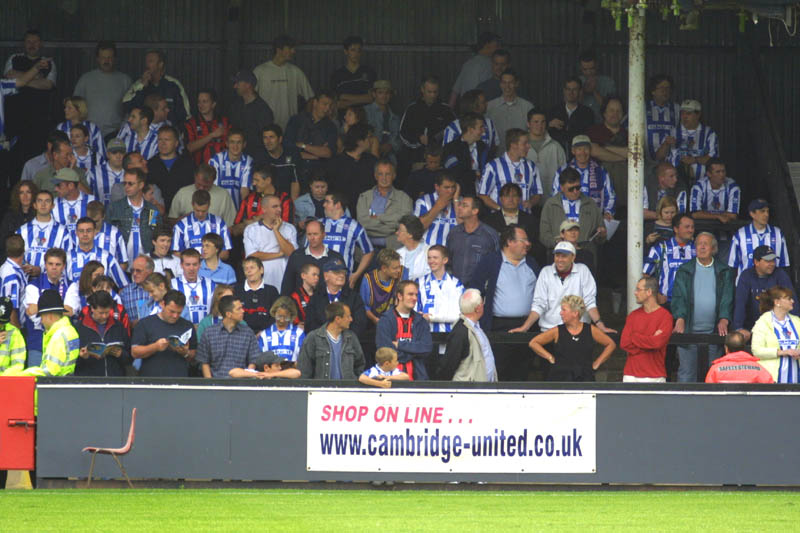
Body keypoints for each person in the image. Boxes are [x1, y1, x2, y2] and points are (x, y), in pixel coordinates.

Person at [469, 224, 539, 380]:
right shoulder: (491, 261)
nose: (528, 244)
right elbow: (474, 290)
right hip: (498, 326)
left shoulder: (532, 263)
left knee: (522, 371)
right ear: (509, 242)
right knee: (499, 370)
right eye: (523, 240)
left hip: (527, 326)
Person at [511, 241, 613, 335]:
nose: (559, 260)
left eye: (564, 256)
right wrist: (525, 327)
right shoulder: (545, 272)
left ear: (573, 257)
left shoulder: (583, 271)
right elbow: (539, 304)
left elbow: (589, 301)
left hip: (578, 330)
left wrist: (600, 325)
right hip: (550, 330)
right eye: (557, 256)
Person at [671, 232, 735, 382]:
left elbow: (728, 297)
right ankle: (686, 405)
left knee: (713, 375)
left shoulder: (724, 271)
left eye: (706, 243)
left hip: (714, 333)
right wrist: (680, 318)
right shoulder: (684, 270)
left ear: (713, 248)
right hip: (688, 331)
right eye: (699, 243)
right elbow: (678, 296)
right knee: (687, 375)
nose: (702, 246)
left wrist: (724, 319)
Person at [529, 294, 616, 381]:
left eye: (564, 310)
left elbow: (610, 344)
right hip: (560, 378)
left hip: (585, 378)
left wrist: (596, 364)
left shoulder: (590, 330)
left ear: (575, 313)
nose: (561, 313)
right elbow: (534, 343)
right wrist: (550, 357)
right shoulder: (557, 331)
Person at [3, 30, 56, 169]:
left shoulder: (49, 63)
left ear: (41, 44)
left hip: (38, 122)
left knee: (35, 161)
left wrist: (23, 79)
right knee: (13, 162)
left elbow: (48, 84)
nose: (32, 45)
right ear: (24, 44)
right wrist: (35, 75)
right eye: (28, 41)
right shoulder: (14, 58)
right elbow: (8, 78)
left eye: (35, 42)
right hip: (14, 121)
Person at [3, 289, 79, 378]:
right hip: (65, 384)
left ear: (49, 316)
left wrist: (22, 374)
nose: (41, 321)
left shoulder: (58, 336)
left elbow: (50, 370)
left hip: (54, 386)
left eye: (41, 317)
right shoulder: (70, 331)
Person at [733, 245, 799, 340]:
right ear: (756, 262)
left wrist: (795, 327)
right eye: (768, 261)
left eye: (773, 260)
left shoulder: (780, 275)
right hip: (751, 329)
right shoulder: (746, 276)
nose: (772, 264)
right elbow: (740, 303)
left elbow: (792, 302)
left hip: (777, 329)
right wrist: (739, 328)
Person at [539, 167, 605, 256]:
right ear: (562, 187)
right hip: (559, 254)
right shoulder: (550, 205)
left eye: (578, 188)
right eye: (571, 189)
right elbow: (543, 235)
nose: (575, 191)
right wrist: (557, 242)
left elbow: (600, 236)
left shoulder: (590, 203)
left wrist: (601, 235)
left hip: (586, 253)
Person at [253, 34, 314, 129]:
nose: (293, 51)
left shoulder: (296, 72)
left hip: (290, 129)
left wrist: (306, 120)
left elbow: (310, 99)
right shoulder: (260, 71)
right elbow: (250, 98)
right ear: (279, 50)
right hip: (266, 129)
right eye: (290, 48)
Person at [620, 276, 674, 382]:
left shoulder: (665, 316)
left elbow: (657, 343)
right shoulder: (633, 316)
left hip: (655, 376)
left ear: (649, 292)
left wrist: (635, 337)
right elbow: (624, 343)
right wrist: (650, 340)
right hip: (631, 375)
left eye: (639, 290)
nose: (635, 293)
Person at [131, 290, 197, 377]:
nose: (175, 316)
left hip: (179, 380)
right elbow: (135, 352)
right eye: (172, 311)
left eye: (179, 312)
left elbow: (195, 355)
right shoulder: (145, 324)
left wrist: (185, 352)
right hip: (151, 380)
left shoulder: (187, 325)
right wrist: (155, 347)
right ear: (162, 304)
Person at [376, 280, 433, 380]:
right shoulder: (385, 320)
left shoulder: (421, 321)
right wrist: (414, 352)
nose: (414, 298)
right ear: (400, 296)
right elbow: (385, 352)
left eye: (416, 295)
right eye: (410, 294)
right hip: (389, 380)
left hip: (418, 380)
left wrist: (400, 345)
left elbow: (426, 348)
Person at [21, 247, 69, 366]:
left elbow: (71, 311)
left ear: (63, 266)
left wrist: (41, 308)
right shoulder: (32, 286)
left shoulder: (71, 286)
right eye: (50, 264)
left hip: (61, 344)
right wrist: (60, 309)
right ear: (45, 265)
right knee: (35, 381)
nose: (54, 267)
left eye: (58, 264)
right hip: (37, 344)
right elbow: (33, 314)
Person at [73, 41, 132, 137]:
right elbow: (75, 106)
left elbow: (130, 109)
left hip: (116, 133)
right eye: (103, 58)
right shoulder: (86, 79)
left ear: (115, 58)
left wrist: (123, 129)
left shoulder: (125, 80)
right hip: (89, 132)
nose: (106, 61)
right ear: (97, 59)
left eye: (109, 57)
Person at [438, 288, 497, 382]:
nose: (483, 306)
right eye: (482, 303)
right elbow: (449, 364)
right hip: (468, 392)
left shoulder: (474, 327)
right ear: (478, 308)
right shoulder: (461, 332)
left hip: (482, 389)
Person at [122, 49, 191, 128]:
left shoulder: (173, 84)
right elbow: (126, 105)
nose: (147, 65)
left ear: (160, 64)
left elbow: (186, 115)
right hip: (144, 136)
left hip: (168, 135)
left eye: (150, 61)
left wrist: (177, 132)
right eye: (146, 61)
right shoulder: (139, 84)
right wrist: (142, 85)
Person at [479, 128, 542, 212]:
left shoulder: (531, 166)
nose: (529, 146)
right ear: (513, 145)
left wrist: (531, 202)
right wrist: (500, 209)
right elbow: (482, 195)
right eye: (525, 143)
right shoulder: (493, 166)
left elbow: (537, 193)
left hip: (524, 219)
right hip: (499, 220)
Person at [551, 135, 616, 218]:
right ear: (573, 151)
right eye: (579, 149)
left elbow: (610, 196)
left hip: (594, 221)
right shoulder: (562, 171)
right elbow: (555, 197)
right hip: (568, 224)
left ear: (590, 150)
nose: (583, 153)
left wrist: (608, 212)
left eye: (586, 149)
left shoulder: (600, 171)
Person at [196, 295, 261, 378]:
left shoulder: (248, 333)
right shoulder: (209, 333)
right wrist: (210, 384)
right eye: (239, 309)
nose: (243, 311)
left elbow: (254, 360)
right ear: (228, 314)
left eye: (242, 307)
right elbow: (204, 362)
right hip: (216, 384)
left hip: (241, 384)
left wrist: (246, 380)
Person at [298, 301, 365, 379]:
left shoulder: (352, 338)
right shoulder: (313, 338)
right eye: (348, 316)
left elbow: (360, 364)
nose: (351, 319)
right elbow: (304, 369)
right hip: (321, 390)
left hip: (347, 389)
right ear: (338, 319)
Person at [243, 194, 298, 290]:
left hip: (284, 281)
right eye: (275, 207)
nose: (279, 210)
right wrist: (279, 254)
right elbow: (252, 256)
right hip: (262, 282)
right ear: (264, 209)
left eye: (280, 206)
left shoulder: (290, 228)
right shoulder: (251, 229)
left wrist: (276, 230)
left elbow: (291, 253)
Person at [399, 76, 455, 166]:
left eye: (435, 92)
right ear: (422, 90)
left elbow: (455, 132)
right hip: (416, 157)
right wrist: (418, 138)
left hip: (440, 159)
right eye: (429, 92)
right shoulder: (412, 109)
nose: (432, 95)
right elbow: (403, 133)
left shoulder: (446, 110)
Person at [284, 91, 339, 184]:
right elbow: (287, 147)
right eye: (324, 104)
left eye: (330, 105)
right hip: (296, 172)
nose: (327, 108)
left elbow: (328, 153)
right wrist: (316, 154)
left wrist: (303, 146)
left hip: (319, 175)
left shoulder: (331, 127)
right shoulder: (297, 120)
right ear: (315, 103)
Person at [305, 258, 368, 337]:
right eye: (337, 272)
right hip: (321, 343)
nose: (341, 275)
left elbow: (360, 324)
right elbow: (310, 324)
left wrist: (341, 339)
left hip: (347, 343)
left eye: (343, 272)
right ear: (326, 276)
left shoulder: (354, 297)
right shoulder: (316, 298)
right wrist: (326, 338)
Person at [280, 219, 344, 296]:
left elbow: (343, 288)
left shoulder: (335, 258)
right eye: (309, 234)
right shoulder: (296, 256)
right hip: (300, 306)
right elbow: (287, 287)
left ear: (324, 235)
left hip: (328, 305)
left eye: (315, 234)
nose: (312, 238)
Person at [107, 168, 160, 261]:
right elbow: (106, 234)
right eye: (125, 183)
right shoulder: (114, 208)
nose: (126, 187)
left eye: (130, 183)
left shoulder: (152, 210)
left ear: (141, 185)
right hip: (121, 261)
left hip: (147, 263)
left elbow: (156, 234)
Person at [75, 290, 131, 377]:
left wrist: (121, 354)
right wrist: (82, 357)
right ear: (92, 308)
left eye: (107, 312)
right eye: (101, 313)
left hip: (115, 380)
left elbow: (129, 356)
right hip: (89, 382)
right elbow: (71, 361)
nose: (104, 316)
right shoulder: (79, 328)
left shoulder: (118, 326)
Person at [321, 192, 374, 284]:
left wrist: (356, 275)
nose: (323, 204)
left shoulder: (354, 226)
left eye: (327, 202)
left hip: (343, 280)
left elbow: (369, 251)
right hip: (319, 279)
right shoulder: (319, 224)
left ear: (337, 205)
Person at [446, 195, 499, 286]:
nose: (459, 207)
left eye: (464, 205)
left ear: (475, 211)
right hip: (454, 288)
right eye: (460, 205)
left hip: (479, 290)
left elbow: (497, 263)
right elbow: (448, 261)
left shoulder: (489, 234)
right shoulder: (454, 233)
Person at [728, 199, 788, 279]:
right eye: (762, 211)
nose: (766, 214)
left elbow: (783, 264)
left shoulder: (778, 234)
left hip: (772, 286)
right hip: (747, 286)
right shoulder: (740, 235)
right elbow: (732, 266)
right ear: (752, 214)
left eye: (767, 211)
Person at [643, 213, 696, 304]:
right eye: (687, 227)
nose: (691, 230)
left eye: (692, 227)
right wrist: (655, 295)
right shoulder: (660, 248)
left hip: (690, 303)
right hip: (666, 303)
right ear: (675, 229)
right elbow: (645, 275)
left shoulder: (698, 249)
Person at [751, 286, 800, 383]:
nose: (793, 301)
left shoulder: (797, 321)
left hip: (796, 378)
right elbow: (756, 350)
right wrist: (782, 352)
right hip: (771, 379)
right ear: (777, 302)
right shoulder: (763, 322)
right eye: (788, 299)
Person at [662, 99, 719, 183]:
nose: (684, 117)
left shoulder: (709, 133)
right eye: (682, 113)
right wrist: (665, 144)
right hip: (675, 184)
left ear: (698, 114)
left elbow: (713, 159)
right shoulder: (672, 132)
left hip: (702, 183)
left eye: (688, 113)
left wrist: (694, 160)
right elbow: (659, 157)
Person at [328, 123, 379, 213]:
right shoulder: (336, 163)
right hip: (344, 213)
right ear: (359, 140)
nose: (372, 140)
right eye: (369, 137)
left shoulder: (373, 161)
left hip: (369, 213)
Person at [16, 190, 69, 277]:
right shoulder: (22, 230)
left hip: (53, 282)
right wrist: (28, 268)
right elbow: (16, 255)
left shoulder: (63, 232)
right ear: (34, 205)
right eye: (40, 201)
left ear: (53, 206)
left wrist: (41, 269)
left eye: (47, 201)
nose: (43, 204)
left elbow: (66, 258)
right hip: (26, 281)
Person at [66, 217, 128, 288]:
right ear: (76, 233)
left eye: (89, 230)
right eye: (81, 231)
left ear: (95, 232)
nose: (85, 234)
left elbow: (123, 285)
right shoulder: (67, 257)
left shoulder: (106, 257)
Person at [234, 164, 294, 237]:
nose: (253, 183)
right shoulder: (249, 199)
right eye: (253, 180)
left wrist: (258, 220)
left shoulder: (284, 200)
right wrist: (259, 221)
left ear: (268, 180)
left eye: (257, 180)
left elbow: (288, 229)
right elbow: (235, 229)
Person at [416, 245, 464, 336]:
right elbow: (415, 312)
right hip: (426, 335)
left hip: (451, 334)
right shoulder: (419, 282)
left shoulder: (456, 284)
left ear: (445, 260)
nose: (431, 261)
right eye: (429, 258)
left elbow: (460, 315)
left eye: (435, 258)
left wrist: (432, 317)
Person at [172, 189, 233, 257]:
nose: (200, 214)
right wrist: (195, 260)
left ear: (209, 205)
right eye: (197, 210)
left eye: (204, 211)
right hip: (190, 266)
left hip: (214, 266)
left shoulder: (220, 223)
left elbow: (225, 253)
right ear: (192, 204)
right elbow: (176, 254)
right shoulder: (181, 225)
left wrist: (207, 259)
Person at [148, 125, 195, 212]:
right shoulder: (150, 165)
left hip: (182, 213)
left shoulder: (188, 164)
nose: (163, 143)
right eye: (160, 140)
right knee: (152, 225)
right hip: (156, 213)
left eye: (167, 140)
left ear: (176, 143)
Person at [447, 32, 501, 108]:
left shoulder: (468, 63)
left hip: (466, 109)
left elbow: (455, 91)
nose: (499, 48)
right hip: (481, 109)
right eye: (496, 45)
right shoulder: (490, 64)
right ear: (487, 44)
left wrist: (450, 111)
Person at [442, 112, 489, 197]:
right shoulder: (450, 149)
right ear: (470, 129)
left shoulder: (484, 147)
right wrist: (475, 174)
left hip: (483, 195)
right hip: (460, 195)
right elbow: (455, 174)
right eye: (481, 127)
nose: (484, 130)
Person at [229, 70, 274, 157]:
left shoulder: (263, 110)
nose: (235, 86)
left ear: (248, 85)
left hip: (255, 158)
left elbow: (266, 139)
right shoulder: (235, 106)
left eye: (238, 83)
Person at [486, 69, 535, 148]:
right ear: (500, 84)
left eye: (510, 83)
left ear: (516, 84)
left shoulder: (528, 107)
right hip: (496, 156)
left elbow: (533, 134)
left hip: (521, 156)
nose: (507, 86)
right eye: (504, 83)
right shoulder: (489, 107)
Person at [526, 108, 566, 199]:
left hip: (551, 200)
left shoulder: (556, 147)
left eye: (543, 122)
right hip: (527, 202)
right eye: (536, 122)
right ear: (528, 124)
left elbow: (564, 175)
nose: (539, 126)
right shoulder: (521, 146)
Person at [207, 128, 251, 210]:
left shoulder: (249, 161)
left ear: (244, 144)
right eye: (232, 142)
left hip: (238, 209)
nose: (235, 146)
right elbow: (213, 189)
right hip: (218, 208)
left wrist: (242, 214)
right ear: (227, 143)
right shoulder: (215, 160)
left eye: (239, 142)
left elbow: (245, 190)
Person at [330, 36, 376, 113]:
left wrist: (346, 98)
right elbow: (337, 103)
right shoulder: (337, 75)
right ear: (345, 51)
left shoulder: (369, 72)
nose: (356, 54)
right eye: (353, 50)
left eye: (359, 50)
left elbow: (371, 98)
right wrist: (362, 99)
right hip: (344, 118)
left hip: (366, 116)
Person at [184, 88, 230, 166]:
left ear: (213, 104)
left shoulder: (224, 122)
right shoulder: (191, 123)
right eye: (199, 102)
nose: (200, 105)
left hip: (222, 169)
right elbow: (189, 148)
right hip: (199, 171)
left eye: (205, 101)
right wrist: (211, 135)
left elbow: (232, 144)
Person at [705, 331, 773, 383]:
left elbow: (708, 393)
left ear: (726, 348)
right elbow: (771, 388)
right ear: (744, 348)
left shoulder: (715, 369)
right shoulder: (759, 369)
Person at [546, 77, 594, 151]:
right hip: (554, 151)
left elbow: (589, 136)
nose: (571, 92)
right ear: (564, 91)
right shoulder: (553, 110)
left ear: (580, 91)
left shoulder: (587, 113)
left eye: (574, 89)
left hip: (579, 152)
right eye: (568, 89)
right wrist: (549, 124)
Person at [253, 124, 299, 200]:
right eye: (265, 138)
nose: (268, 141)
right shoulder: (259, 157)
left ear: (280, 139)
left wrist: (292, 205)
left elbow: (295, 182)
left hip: (287, 199)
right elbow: (258, 183)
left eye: (271, 137)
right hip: (267, 199)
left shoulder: (292, 154)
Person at [170, 249, 216, 325]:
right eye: (187, 264)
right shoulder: (173, 285)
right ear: (181, 265)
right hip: (181, 329)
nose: (191, 268)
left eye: (195, 264)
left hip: (206, 330)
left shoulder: (210, 284)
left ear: (200, 265)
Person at [234, 256, 279, 334]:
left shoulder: (272, 291)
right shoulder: (237, 290)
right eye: (246, 269)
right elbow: (233, 314)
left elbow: (276, 314)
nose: (249, 271)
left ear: (261, 270)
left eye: (252, 267)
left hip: (267, 334)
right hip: (241, 334)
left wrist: (264, 332)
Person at [413, 171, 459, 246]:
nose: (450, 191)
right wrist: (437, 206)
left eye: (453, 187)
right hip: (427, 250)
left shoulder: (461, 201)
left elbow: (466, 229)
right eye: (446, 187)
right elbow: (416, 229)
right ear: (437, 187)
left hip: (453, 250)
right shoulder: (423, 201)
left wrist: (456, 200)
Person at [689, 158, 740, 223]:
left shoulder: (733, 187)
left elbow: (733, 215)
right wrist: (717, 216)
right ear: (709, 174)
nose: (722, 175)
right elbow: (695, 214)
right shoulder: (698, 187)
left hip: (726, 226)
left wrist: (704, 214)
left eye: (723, 171)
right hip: (703, 225)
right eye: (718, 172)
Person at [360, 248, 402, 325]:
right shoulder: (368, 280)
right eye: (395, 268)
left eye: (399, 266)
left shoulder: (400, 276)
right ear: (384, 268)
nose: (399, 270)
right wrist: (375, 320)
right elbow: (364, 306)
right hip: (372, 323)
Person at [257, 296, 305, 362]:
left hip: (292, 370)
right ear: (274, 313)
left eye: (286, 317)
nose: (282, 320)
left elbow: (303, 358)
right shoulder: (264, 334)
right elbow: (260, 359)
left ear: (291, 316)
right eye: (279, 316)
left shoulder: (299, 334)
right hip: (270, 371)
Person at [645, 74, 681, 161]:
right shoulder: (642, 108)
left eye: (668, 88)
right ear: (653, 91)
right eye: (661, 88)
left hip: (671, 163)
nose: (665, 91)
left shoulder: (676, 108)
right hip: (647, 164)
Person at [0, 181, 37, 262]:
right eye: (21, 193)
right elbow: (3, 240)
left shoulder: (38, 215)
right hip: (12, 257)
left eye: (28, 192)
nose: (25, 196)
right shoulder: (9, 216)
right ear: (17, 196)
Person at [577, 49, 617, 123]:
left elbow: (611, 109)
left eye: (592, 69)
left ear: (597, 66)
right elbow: (572, 107)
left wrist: (594, 91)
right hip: (581, 125)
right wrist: (582, 91)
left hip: (602, 125)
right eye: (585, 69)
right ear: (580, 68)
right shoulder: (576, 82)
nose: (589, 72)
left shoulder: (608, 82)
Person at [364, 80, 401, 160]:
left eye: (387, 93)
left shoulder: (395, 118)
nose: (384, 96)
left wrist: (391, 145)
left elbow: (399, 139)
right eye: (380, 92)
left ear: (390, 95)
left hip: (390, 158)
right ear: (374, 94)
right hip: (368, 156)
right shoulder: (365, 111)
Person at [51, 167, 96, 233]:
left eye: (59, 185)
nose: (55, 189)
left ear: (71, 185)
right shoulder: (53, 204)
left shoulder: (92, 201)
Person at [88, 138, 126, 206]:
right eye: (114, 152)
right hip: (101, 214)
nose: (118, 156)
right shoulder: (94, 172)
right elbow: (87, 194)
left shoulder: (130, 172)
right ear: (108, 154)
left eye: (121, 152)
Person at [0, 235, 27, 326]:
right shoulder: (13, 276)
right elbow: (11, 309)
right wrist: (18, 330)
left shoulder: (6, 267)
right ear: (24, 250)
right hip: (12, 327)